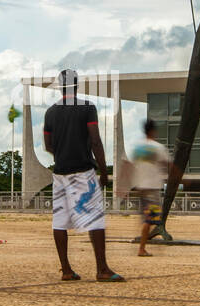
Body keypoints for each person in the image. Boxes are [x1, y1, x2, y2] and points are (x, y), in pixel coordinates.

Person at [43, 69, 123, 282]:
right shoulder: (87, 108)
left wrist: (62, 152)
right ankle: (102, 269)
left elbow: (48, 145)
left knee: (59, 221)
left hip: (59, 173)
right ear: (77, 85)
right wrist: (104, 171)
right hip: (82, 171)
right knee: (95, 219)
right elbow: (95, 140)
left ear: (60, 86)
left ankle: (67, 270)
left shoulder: (50, 112)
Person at [131, 119, 171, 257]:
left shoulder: (138, 147)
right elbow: (169, 164)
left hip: (141, 188)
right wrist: (182, 178)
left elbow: (131, 166)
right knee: (150, 219)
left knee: (147, 218)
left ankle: (142, 244)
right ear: (153, 131)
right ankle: (142, 249)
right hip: (152, 189)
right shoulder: (158, 147)